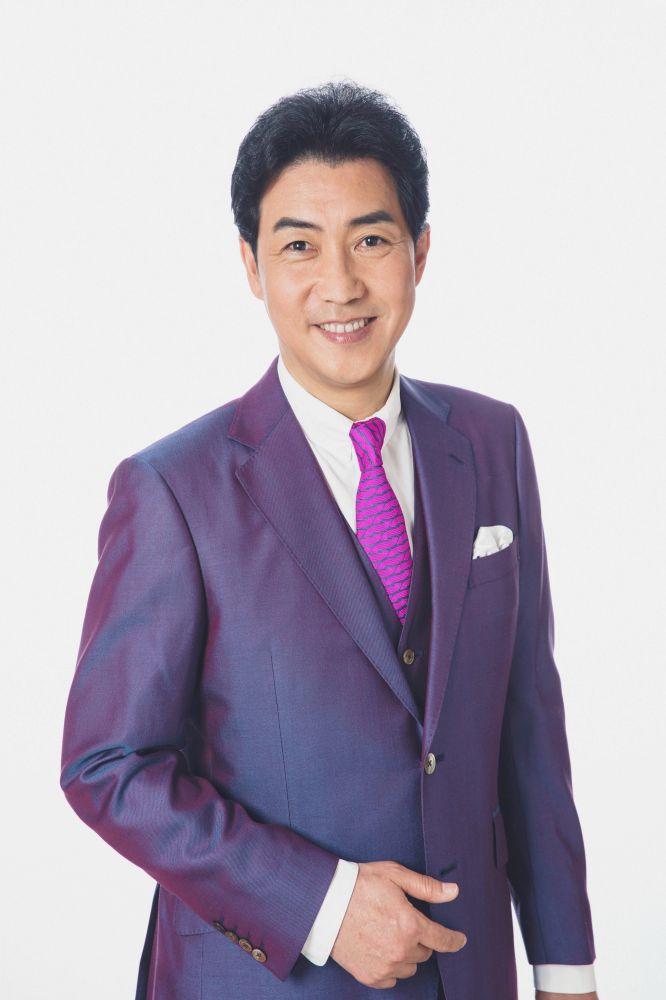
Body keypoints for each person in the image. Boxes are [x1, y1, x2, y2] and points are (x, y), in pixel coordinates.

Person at [60, 80, 598, 1000]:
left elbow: (529, 727)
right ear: (251, 264)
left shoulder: (492, 441)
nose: (341, 284)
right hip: (260, 981)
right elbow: (107, 766)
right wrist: (323, 903)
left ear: (420, 252)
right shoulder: (173, 488)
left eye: (372, 240)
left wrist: (566, 970)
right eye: (299, 245)